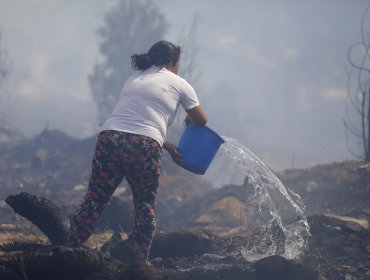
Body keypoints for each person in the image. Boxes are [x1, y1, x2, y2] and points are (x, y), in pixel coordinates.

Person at [68, 40, 207, 265]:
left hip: (110, 138)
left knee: (95, 199)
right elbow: (201, 120)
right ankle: (139, 262)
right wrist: (189, 117)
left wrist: (168, 146)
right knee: (144, 205)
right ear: (173, 63)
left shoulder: (134, 78)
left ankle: (69, 248)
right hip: (143, 146)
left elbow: (135, 122)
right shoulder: (180, 83)